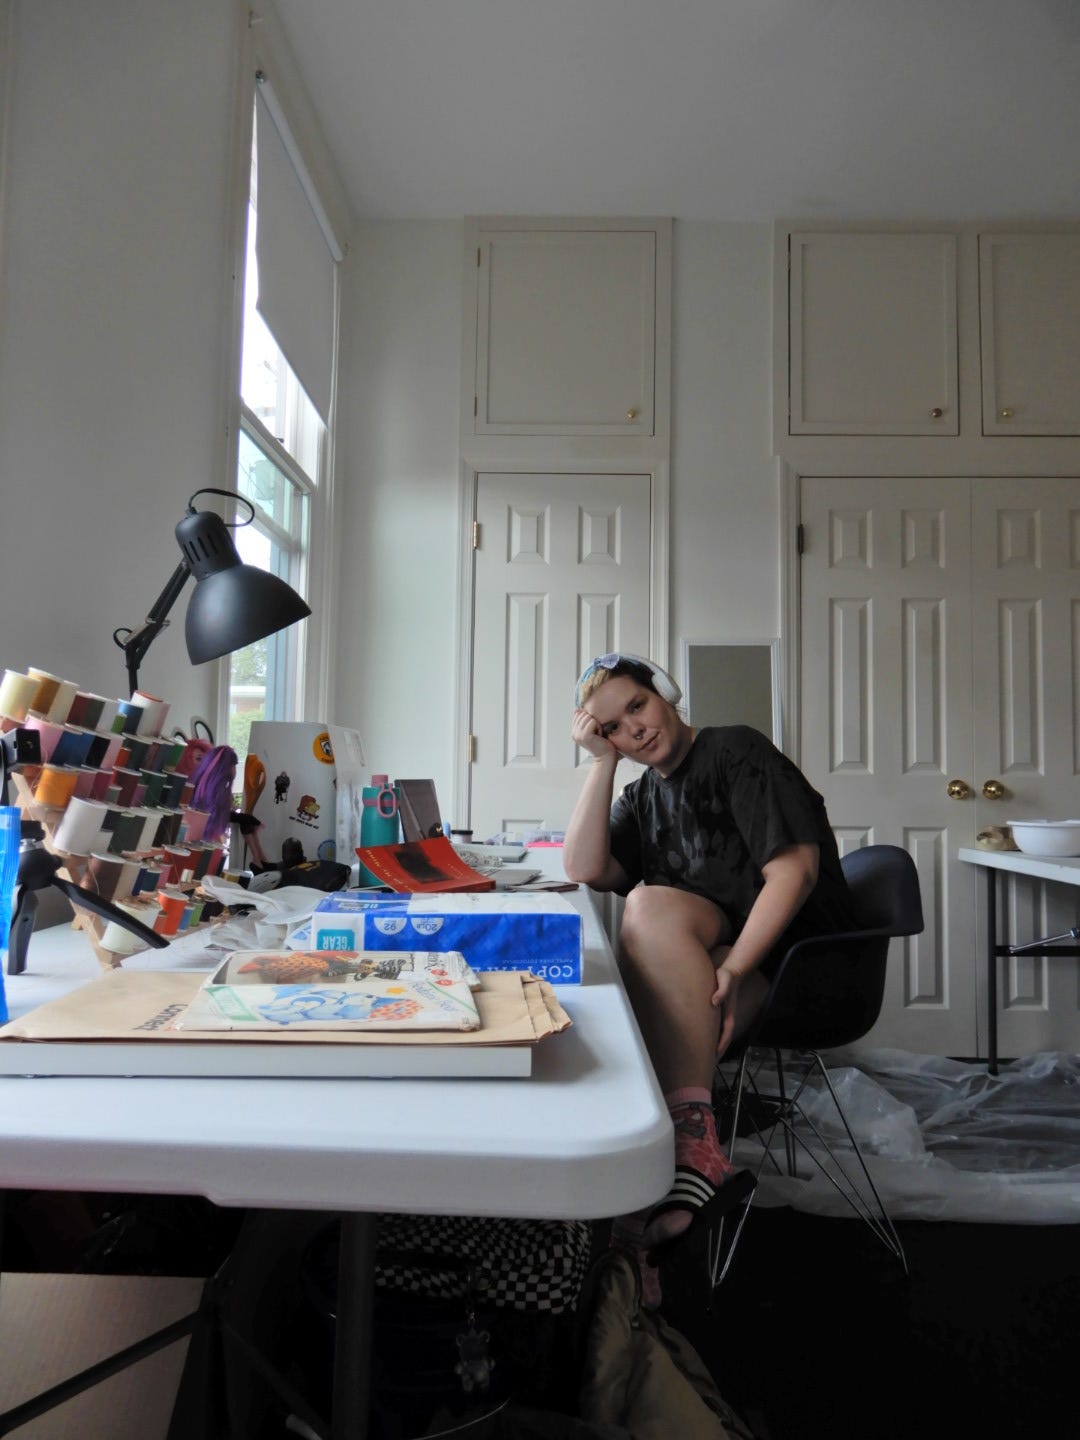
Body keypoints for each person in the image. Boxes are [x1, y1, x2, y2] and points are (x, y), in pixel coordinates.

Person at [564, 652, 859, 1303]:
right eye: (612, 728)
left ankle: (675, 1164)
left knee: (643, 932)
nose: (633, 730)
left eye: (636, 706)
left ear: (664, 694)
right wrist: (600, 765)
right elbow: (585, 865)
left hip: (798, 965)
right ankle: (664, 1193)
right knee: (637, 946)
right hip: (729, 968)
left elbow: (795, 874)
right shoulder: (644, 797)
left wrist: (733, 965)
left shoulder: (735, 752)